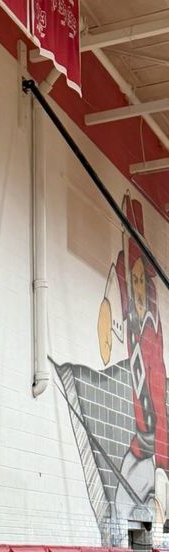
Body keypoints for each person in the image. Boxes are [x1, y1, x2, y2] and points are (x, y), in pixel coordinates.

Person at [98, 193, 169, 531]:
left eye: (142, 281)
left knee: (152, 521)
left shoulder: (153, 331)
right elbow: (116, 279)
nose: (138, 288)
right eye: (135, 280)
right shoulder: (132, 315)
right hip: (139, 446)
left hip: (154, 450)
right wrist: (106, 314)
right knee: (117, 511)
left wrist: (161, 466)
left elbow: (159, 402)